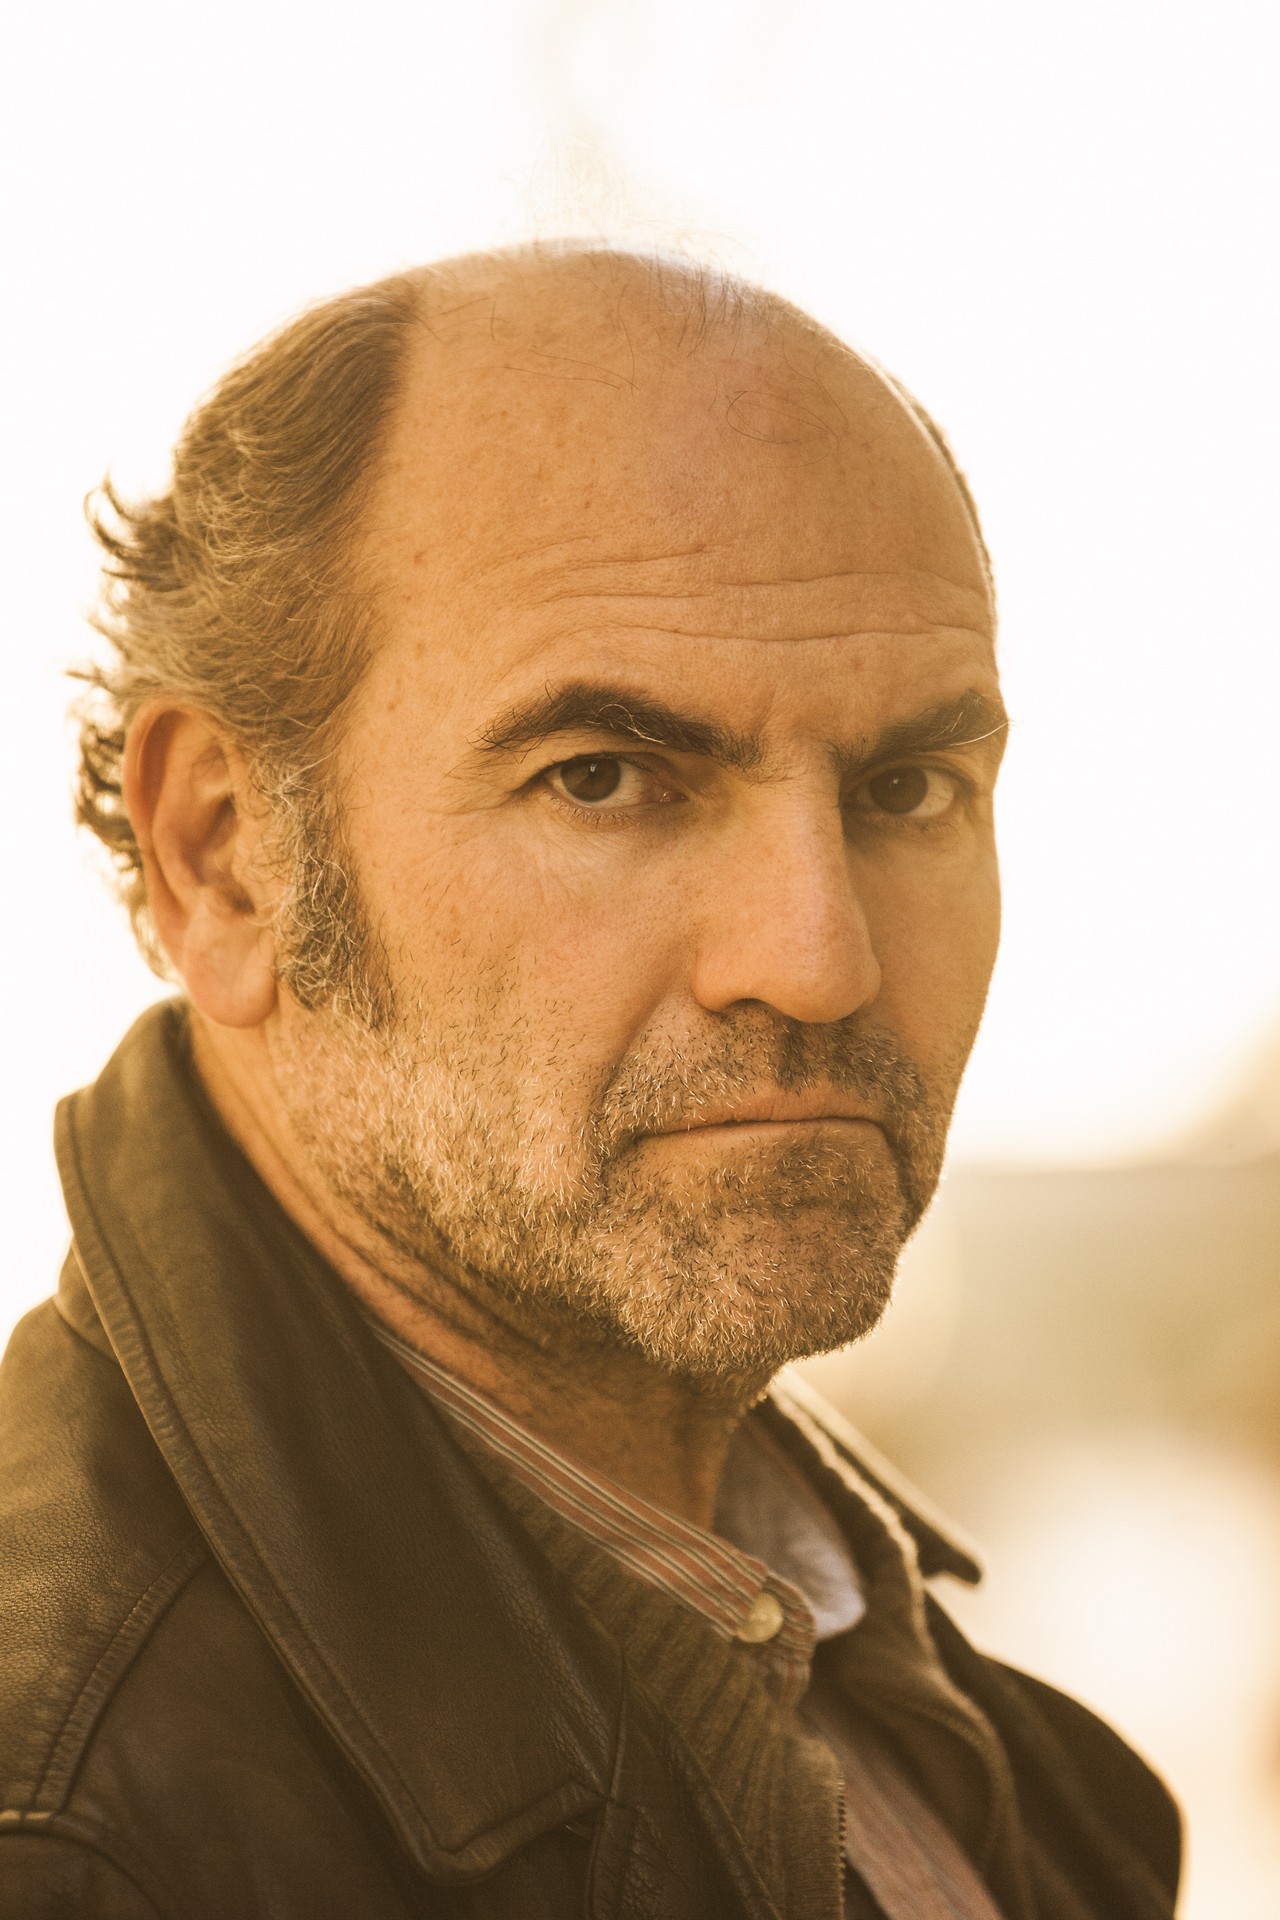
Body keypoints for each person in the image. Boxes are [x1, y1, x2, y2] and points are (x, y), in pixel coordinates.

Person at [0, 245, 1180, 1919]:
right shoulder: (71, 1831)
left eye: (907, 787)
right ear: (227, 857)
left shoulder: (878, 1677)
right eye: (607, 778)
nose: (818, 959)